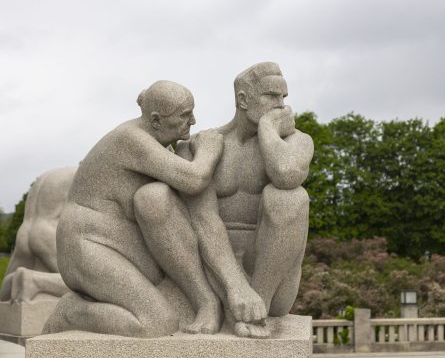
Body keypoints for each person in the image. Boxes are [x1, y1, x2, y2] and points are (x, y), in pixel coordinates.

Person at [139, 62, 314, 338]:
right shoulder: (202, 145)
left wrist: (268, 129)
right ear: (243, 100)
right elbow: (202, 219)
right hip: (212, 273)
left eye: (284, 98)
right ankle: (233, 305)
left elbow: (286, 176)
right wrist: (235, 288)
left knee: (289, 198)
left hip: (271, 278)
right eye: (271, 96)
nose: (281, 106)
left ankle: (257, 312)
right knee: (151, 196)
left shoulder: (297, 142)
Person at [43, 80, 223, 337]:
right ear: (156, 120)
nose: (193, 121)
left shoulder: (160, 141)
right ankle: (72, 313)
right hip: (87, 244)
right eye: (185, 115)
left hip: (120, 241)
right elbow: (192, 179)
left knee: (157, 198)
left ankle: (205, 302)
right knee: (156, 322)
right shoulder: (131, 139)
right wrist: (210, 150)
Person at [0, 167, 75, 303]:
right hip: (51, 231)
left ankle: (25, 279)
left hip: (26, 230)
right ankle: (34, 280)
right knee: (91, 287)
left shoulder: (50, 176)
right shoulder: (85, 174)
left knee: (9, 284)